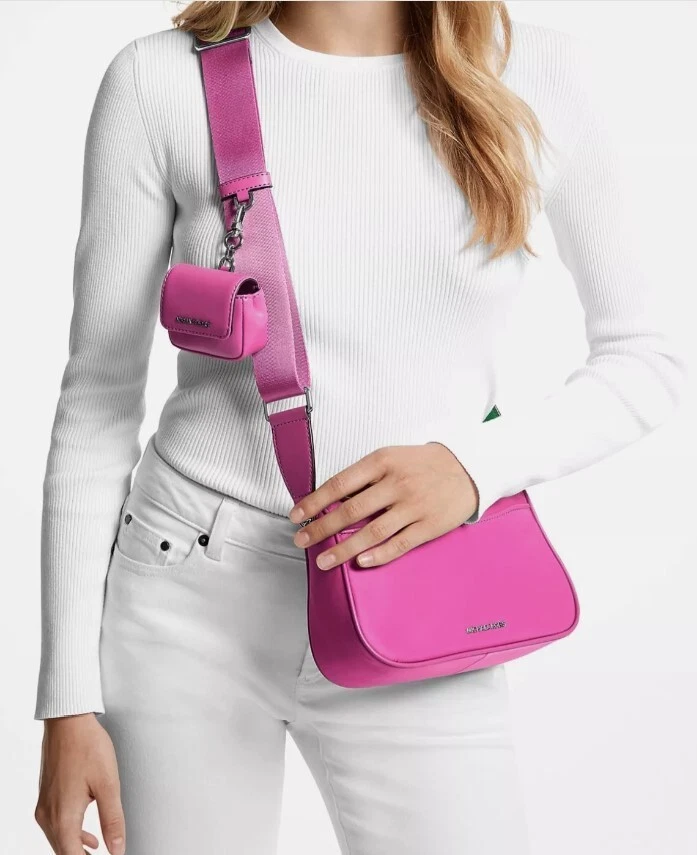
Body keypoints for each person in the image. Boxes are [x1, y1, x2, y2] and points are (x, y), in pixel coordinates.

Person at [33, 2, 686, 854]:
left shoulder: (537, 70)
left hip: (418, 590)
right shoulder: (161, 79)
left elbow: (648, 358)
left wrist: (472, 467)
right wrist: (68, 699)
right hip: (186, 592)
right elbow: (97, 401)